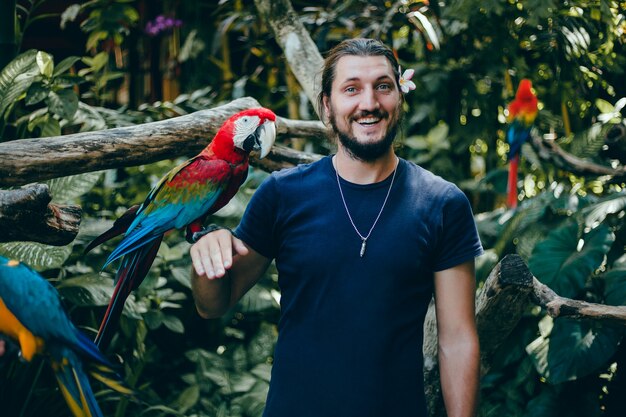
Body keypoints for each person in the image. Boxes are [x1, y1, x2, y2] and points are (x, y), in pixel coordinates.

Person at [190, 38, 483, 417]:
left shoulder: (442, 204)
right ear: (327, 106)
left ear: (399, 96)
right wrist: (207, 254)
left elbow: (457, 339)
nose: (369, 103)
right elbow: (213, 304)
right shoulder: (282, 194)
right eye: (351, 89)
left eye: (382, 86)